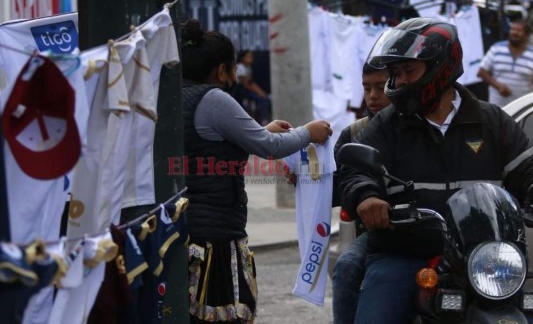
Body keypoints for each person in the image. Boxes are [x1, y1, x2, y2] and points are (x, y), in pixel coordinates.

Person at [338, 17, 533, 324]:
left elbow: (527, 169)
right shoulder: (388, 124)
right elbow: (354, 169)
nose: (400, 81)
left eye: (409, 71)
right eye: (397, 72)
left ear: (440, 67)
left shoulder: (491, 121)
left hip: (483, 260)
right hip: (404, 252)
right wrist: (366, 196)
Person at [180, 19, 332, 324]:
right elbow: (269, 146)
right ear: (222, 70)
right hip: (216, 234)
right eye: (234, 68)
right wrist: (308, 132)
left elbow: (218, 142)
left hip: (189, 229)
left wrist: (263, 130)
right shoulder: (214, 99)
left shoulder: (178, 97)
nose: (236, 76)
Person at [331, 63, 390, 324]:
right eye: (367, 88)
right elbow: (339, 187)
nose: (373, 96)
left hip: (426, 229)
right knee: (346, 267)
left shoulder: (420, 125)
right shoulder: (355, 133)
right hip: (377, 234)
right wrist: (306, 181)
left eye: (381, 87)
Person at [477, 19, 533, 107]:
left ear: (526, 35)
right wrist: (498, 86)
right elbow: (481, 72)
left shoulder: (531, 55)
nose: (514, 33)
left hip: (522, 109)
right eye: (513, 29)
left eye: (519, 31)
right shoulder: (497, 49)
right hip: (497, 108)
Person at [235, 50, 271, 125]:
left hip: (246, 89)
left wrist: (260, 91)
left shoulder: (248, 67)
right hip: (240, 90)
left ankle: (260, 119)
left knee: (262, 97)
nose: (251, 58)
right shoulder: (240, 67)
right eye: (248, 56)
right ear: (242, 58)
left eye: (251, 56)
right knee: (260, 98)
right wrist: (258, 92)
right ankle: (263, 120)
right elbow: (246, 85)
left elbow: (251, 82)